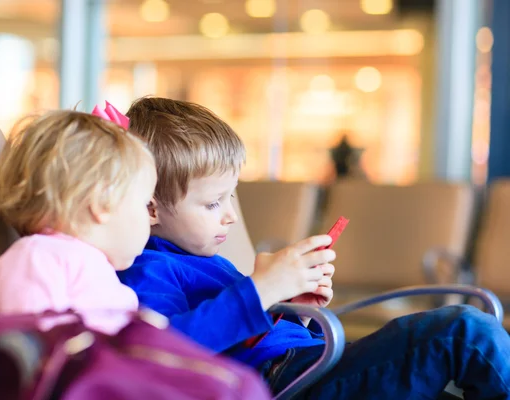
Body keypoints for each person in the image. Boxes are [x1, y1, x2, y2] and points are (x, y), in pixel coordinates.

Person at [116, 96, 510, 399]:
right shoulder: (148, 268)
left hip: (313, 361)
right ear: (151, 207)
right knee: (462, 331)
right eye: (212, 203)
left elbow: (250, 336)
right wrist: (263, 288)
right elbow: (163, 349)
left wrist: (293, 309)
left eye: (231, 196)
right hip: (291, 380)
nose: (230, 216)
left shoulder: (208, 261)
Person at [0, 108, 157, 335]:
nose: (150, 220)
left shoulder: (94, 267)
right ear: (102, 203)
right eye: (145, 204)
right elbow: (35, 341)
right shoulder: (37, 257)